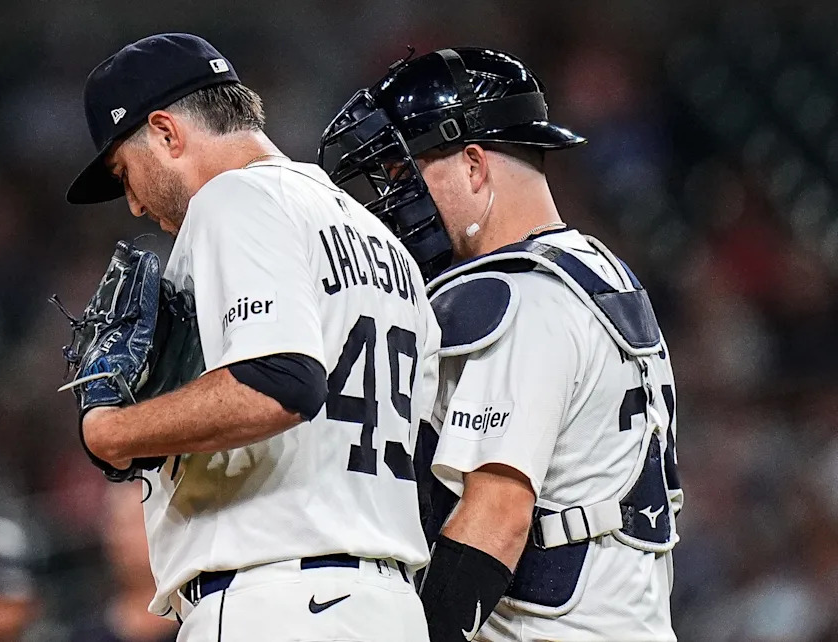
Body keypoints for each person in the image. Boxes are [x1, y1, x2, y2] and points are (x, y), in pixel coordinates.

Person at [66, 33, 439, 642]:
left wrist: (111, 432)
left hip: (276, 599)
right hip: (389, 603)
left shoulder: (234, 198)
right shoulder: (378, 236)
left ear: (166, 132)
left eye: (123, 171)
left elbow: (279, 381)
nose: (132, 203)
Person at [320, 47, 682, 642]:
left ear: (473, 165)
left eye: (406, 175)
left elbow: (497, 515)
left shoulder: (523, 298)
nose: (396, 200)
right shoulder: (600, 272)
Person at [70, 484, 178, 642]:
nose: (121, 536)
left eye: (135, 522)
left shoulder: (202, 619)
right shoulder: (89, 632)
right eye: (114, 523)